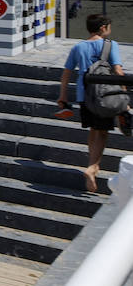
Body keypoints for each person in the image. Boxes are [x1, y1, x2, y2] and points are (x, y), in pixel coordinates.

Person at [60, 13, 129, 193]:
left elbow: (66, 74)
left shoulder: (78, 47)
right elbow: (118, 70)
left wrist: (63, 96)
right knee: (103, 133)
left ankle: (92, 164)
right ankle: (93, 168)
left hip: (84, 96)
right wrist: (124, 93)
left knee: (93, 130)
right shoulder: (110, 45)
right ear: (103, 27)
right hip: (105, 96)